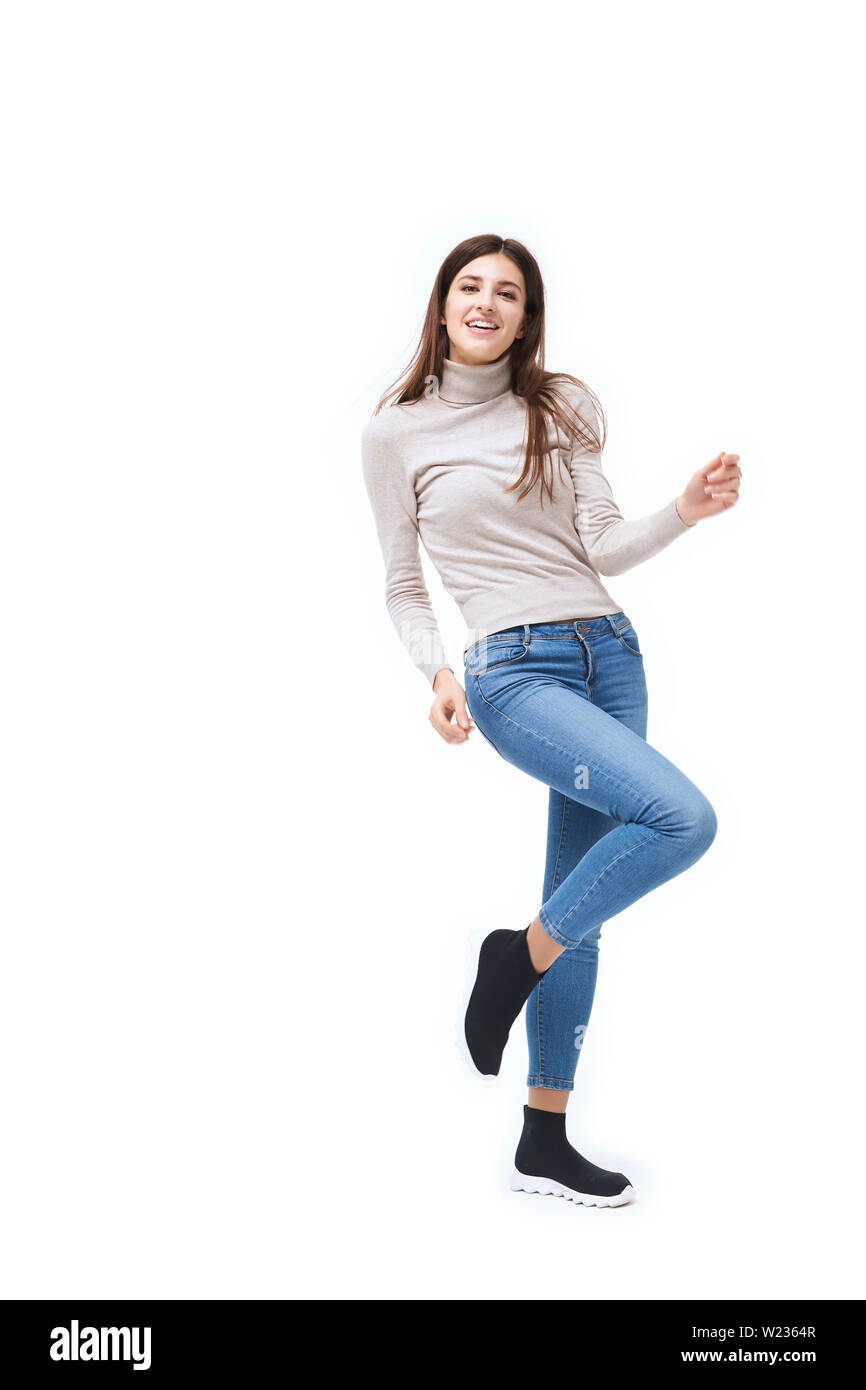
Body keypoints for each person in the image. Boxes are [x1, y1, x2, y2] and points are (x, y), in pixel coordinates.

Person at [360, 234, 741, 1208]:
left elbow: (603, 546)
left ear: (527, 317)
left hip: (609, 654)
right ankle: (511, 956)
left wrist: (683, 511)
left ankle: (542, 1135)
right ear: (442, 305)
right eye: (469, 287)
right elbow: (403, 580)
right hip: (509, 671)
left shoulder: (559, 405)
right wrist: (433, 669)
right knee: (679, 820)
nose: (486, 303)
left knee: (583, 907)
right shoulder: (395, 431)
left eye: (508, 293)